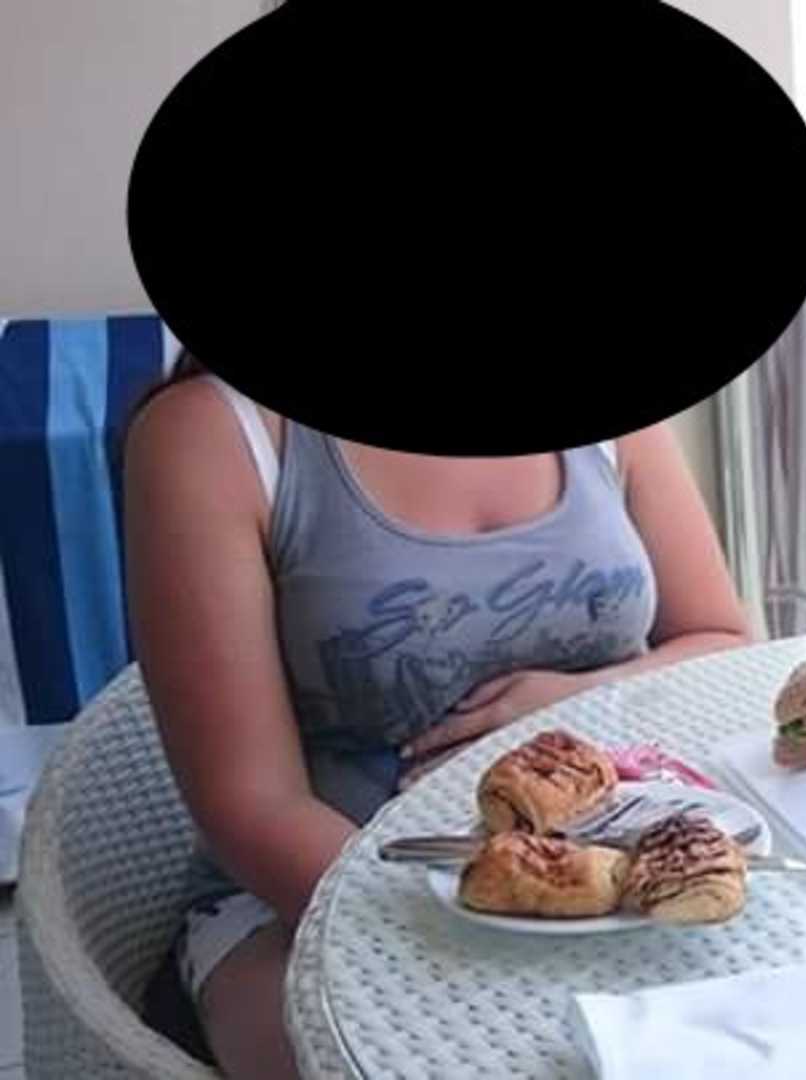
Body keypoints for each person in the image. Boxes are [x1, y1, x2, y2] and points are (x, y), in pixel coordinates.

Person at [123, 358, 751, 1078]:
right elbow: (251, 805)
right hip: (313, 906)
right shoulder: (211, 435)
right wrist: (494, 914)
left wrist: (579, 701)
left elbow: (716, 640)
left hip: (617, 880)